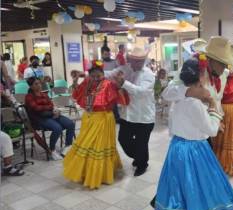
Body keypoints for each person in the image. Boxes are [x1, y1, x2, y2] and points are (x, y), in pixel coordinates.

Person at [137, 59, 233, 210]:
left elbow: (171, 97)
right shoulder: (193, 101)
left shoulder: (179, 99)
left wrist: (205, 100)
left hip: (177, 148)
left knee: (177, 188)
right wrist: (215, 113)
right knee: (199, 188)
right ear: (201, 76)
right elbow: (211, 130)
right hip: (195, 150)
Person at [63, 60, 129, 189]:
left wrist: (120, 85)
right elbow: (76, 95)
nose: (95, 78)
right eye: (93, 76)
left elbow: (122, 99)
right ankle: (85, 171)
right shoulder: (87, 82)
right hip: (88, 119)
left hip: (103, 119)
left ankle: (102, 174)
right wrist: (76, 81)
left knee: (99, 145)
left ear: (102, 74)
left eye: (98, 76)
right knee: (86, 144)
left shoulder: (108, 84)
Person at [106, 47, 156, 176]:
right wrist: (89, 73)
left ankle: (142, 164)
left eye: (140, 61)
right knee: (123, 140)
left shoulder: (149, 74)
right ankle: (140, 157)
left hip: (144, 116)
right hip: (127, 115)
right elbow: (110, 74)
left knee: (141, 143)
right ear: (130, 60)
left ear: (144, 61)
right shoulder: (125, 68)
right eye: (135, 61)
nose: (137, 64)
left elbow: (141, 92)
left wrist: (124, 83)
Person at [25, 77, 75, 160]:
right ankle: (52, 150)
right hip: (39, 118)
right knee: (57, 128)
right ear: (31, 86)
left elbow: (51, 105)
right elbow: (36, 108)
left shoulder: (44, 94)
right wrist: (49, 108)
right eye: (36, 84)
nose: (39, 85)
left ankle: (67, 146)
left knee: (70, 124)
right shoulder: (29, 97)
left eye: (39, 83)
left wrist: (54, 110)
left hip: (51, 114)